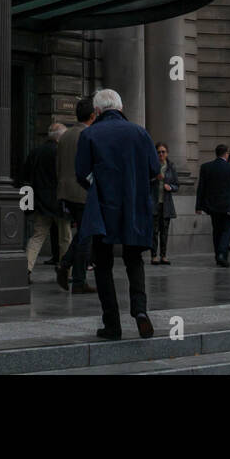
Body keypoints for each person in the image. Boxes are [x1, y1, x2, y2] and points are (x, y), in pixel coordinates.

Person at [75, 88, 158, 340]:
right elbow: (154, 168)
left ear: (97, 111)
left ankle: (112, 324)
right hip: (135, 205)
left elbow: (81, 173)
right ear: (121, 108)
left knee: (103, 265)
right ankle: (140, 311)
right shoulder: (140, 132)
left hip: (103, 207)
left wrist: (98, 185)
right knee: (134, 260)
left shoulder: (90, 134)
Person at [56, 96, 98, 295]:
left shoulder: (65, 135)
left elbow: (58, 165)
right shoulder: (89, 134)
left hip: (65, 191)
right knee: (86, 235)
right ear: (93, 115)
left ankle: (66, 266)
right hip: (83, 191)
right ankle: (77, 278)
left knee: (83, 232)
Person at [23, 124, 72, 276]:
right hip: (60, 202)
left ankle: (25, 269)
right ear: (60, 137)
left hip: (41, 202)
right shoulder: (61, 152)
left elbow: (26, 175)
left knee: (37, 236)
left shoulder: (35, 152)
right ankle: (65, 270)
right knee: (65, 238)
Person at [196, 144, 230, 266]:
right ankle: (221, 253)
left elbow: (201, 188)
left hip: (213, 207)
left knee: (217, 231)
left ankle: (218, 255)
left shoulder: (206, 167)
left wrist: (198, 206)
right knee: (227, 231)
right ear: (226, 154)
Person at [151, 142, 179, 265]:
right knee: (154, 231)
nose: (161, 154)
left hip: (166, 204)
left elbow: (177, 185)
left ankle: (164, 255)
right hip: (154, 203)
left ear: (167, 153)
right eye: (158, 152)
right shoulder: (152, 166)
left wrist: (171, 187)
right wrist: (154, 178)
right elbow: (144, 182)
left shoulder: (171, 166)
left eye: (163, 152)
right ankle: (153, 255)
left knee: (164, 231)